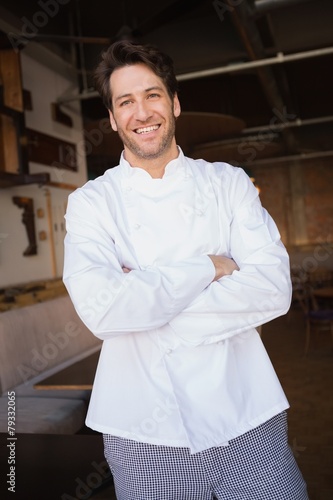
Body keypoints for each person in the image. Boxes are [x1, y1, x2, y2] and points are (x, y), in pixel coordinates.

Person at [63, 40, 308, 500]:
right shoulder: (90, 204)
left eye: (152, 95)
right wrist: (210, 267)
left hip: (245, 412)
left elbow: (273, 289)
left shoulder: (229, 183)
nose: (142, 112)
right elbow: (104, 310)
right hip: (143, 431)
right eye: (126, 102)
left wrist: (147, 304)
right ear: (113, 119)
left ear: (174, 103)